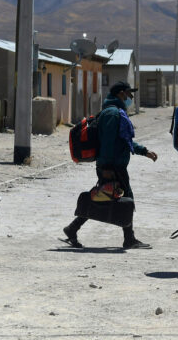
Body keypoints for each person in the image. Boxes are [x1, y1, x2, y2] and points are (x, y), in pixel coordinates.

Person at [62, 81, 157, 249]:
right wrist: (106, 168)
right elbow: (108, 143)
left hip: (112, 164)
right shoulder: (113, 114)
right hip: (112, 166)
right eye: (129, 94)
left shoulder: (114, 112)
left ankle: (72, 228)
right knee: (122, 198)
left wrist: (144, 151)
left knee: (104, 197)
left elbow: (123, 141)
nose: (131, 97)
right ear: (121, 93)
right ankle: (129, 239)